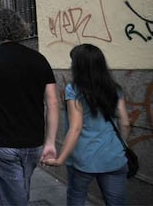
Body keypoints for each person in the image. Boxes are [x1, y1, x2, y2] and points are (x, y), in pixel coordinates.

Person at [0, 8, 59, 205]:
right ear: (20, 30)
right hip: (33, 143)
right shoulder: (38, 59)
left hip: (2, 143)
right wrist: (50, 142)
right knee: (19, 189)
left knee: (13, 197)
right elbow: (52, 102)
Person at [42, 44, 130, 206]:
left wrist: (60, 158)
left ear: (78, 66)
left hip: (82, 159)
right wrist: (121, 145)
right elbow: (125, 123)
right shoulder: (115, 89)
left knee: (76, 198)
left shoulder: (74, 90)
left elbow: (75, 128)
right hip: (114, 158)